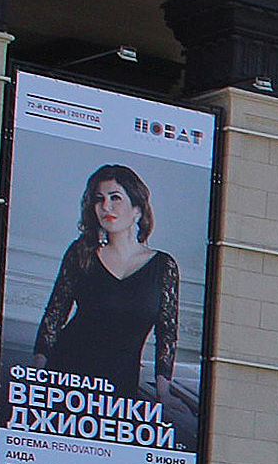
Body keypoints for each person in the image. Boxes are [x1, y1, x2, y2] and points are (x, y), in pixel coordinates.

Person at [35, 161, 179, 409]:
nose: (106, 206)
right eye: (99, 199)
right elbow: (55, 315)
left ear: (137, 209)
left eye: (115, 198)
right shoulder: (82, 253)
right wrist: (36, 376)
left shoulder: (163, 266)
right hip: (65, 374)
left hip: (119, 386)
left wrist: (163, 392)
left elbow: (167, 332)